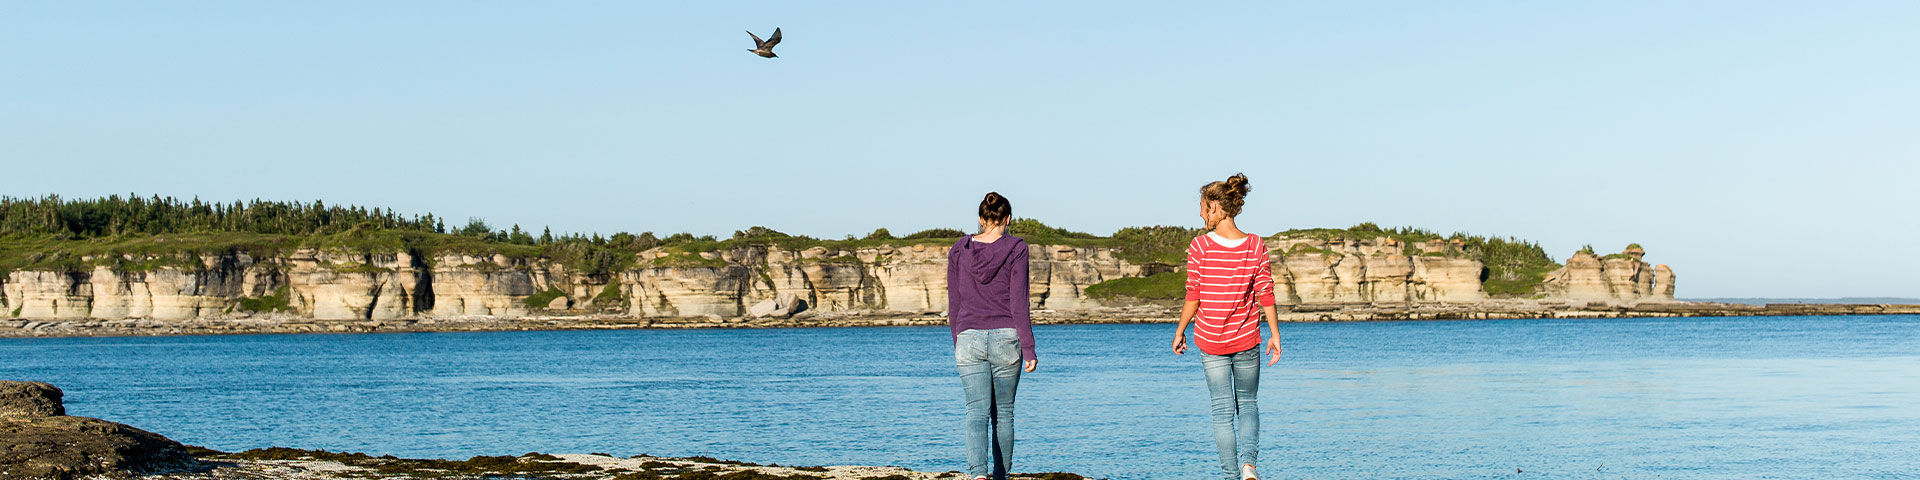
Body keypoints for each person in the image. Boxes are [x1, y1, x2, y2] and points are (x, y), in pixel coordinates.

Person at [1171, 173, 1282, 480]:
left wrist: (1180, 331)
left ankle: (1231, 477)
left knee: (1222, 412)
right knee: (1248, 404)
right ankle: (1249, 467)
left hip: (1211, 341)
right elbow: (1266, 293)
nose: (1201, 214)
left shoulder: (1200, 247)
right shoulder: (1256, 245)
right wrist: (1274, 334)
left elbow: (1193, 295)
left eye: (1204, 208)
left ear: (1217, 208)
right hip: (1247, 340)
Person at [946, 191, 1037, 480]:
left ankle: (978, 475)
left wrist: (958, 339)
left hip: (969, 338)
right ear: (1007, 219)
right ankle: (1000, 476)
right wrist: (1029, 349)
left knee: (975, 412)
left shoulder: (959, 249)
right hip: (1007, 339)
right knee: (1004, 414)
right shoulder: (1017, 249)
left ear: (981, 220)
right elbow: (1018, 303)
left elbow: (955, 302)